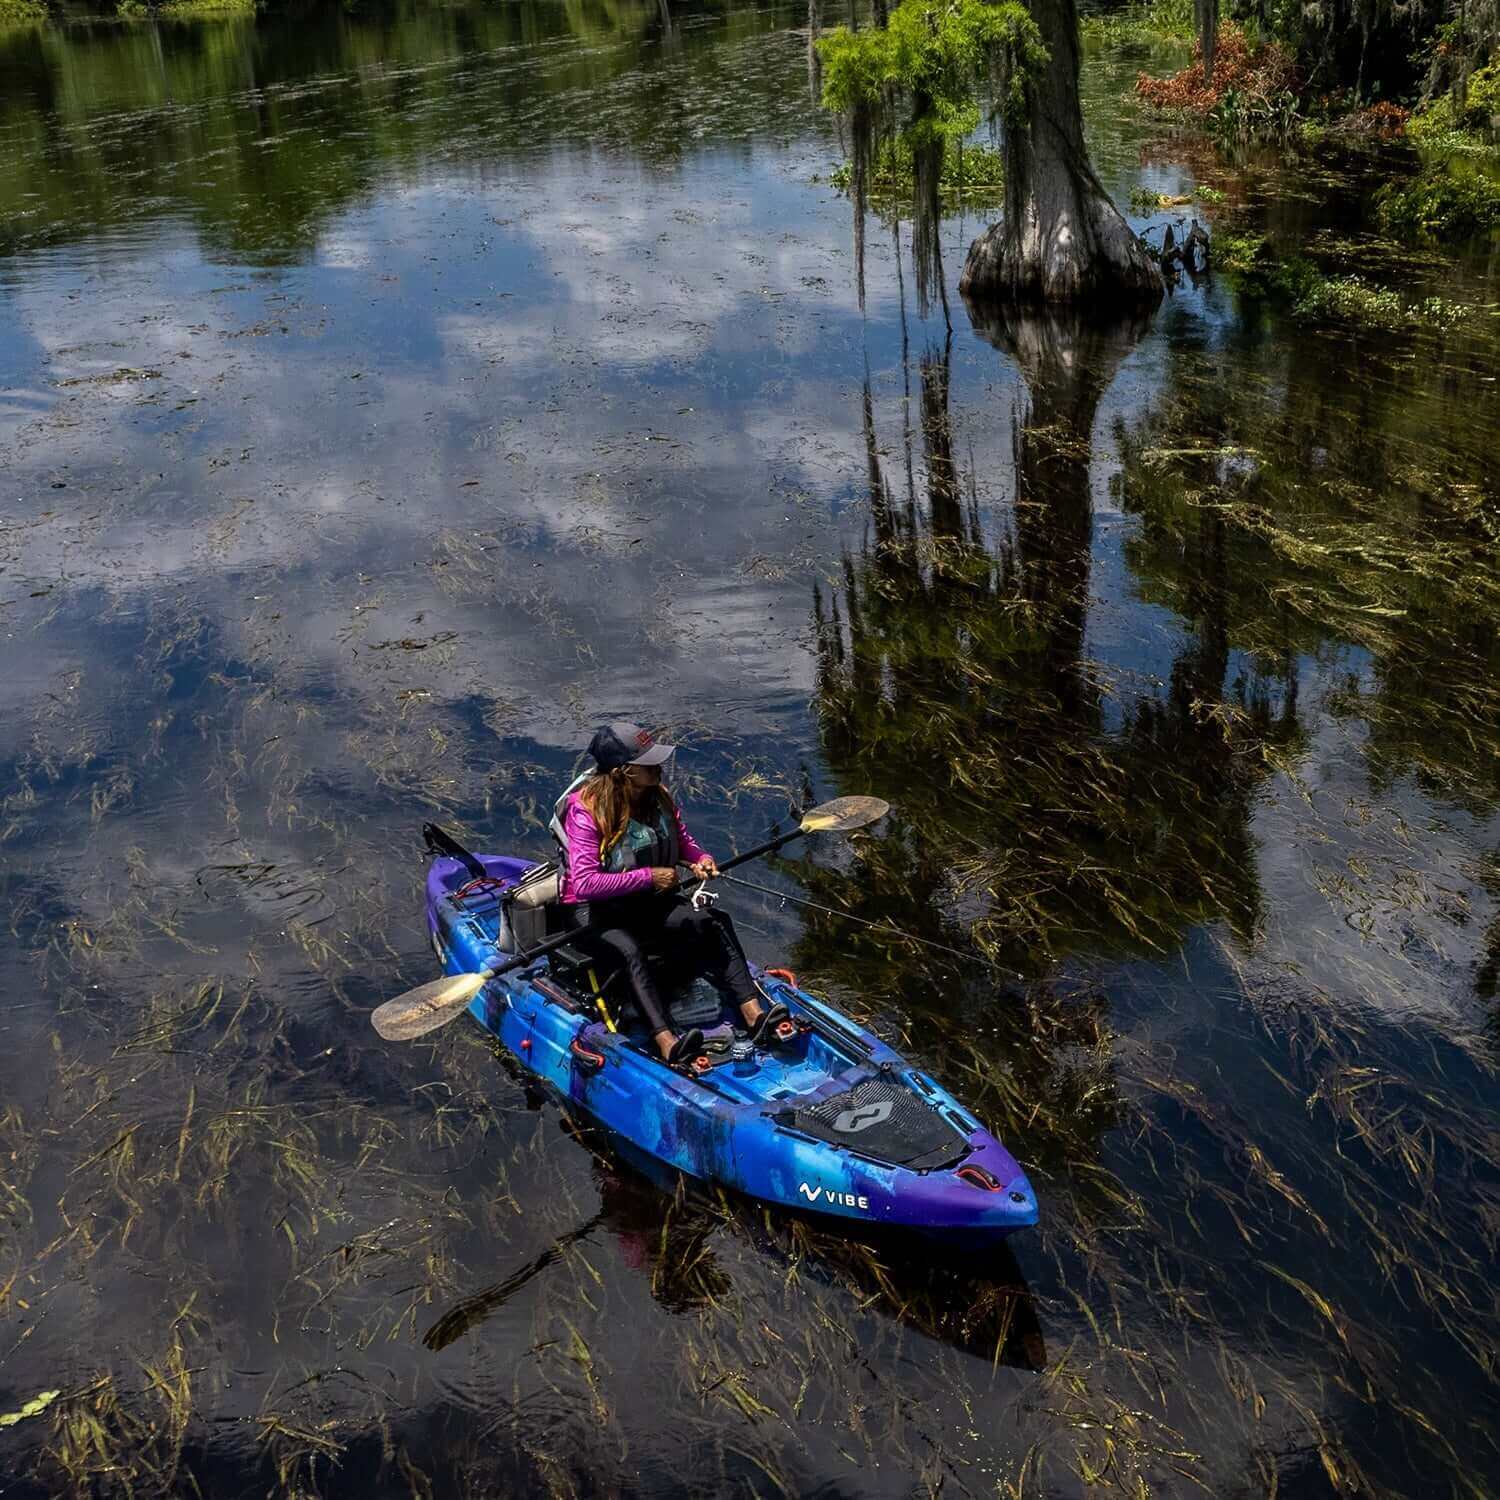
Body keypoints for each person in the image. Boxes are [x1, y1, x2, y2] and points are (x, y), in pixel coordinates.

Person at [551, 722, 794, 1067]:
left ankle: (754, 1014)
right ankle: (666, 1041)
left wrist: (700, 860)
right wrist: (649, 876)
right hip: (593, 910)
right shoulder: (585, 811)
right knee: (628, 950)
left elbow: (681, 841)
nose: (658, 767)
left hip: (644, 900)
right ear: (624, 772)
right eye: (648, 763)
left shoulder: (658, 796)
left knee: (711, 921)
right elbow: (587, 883)